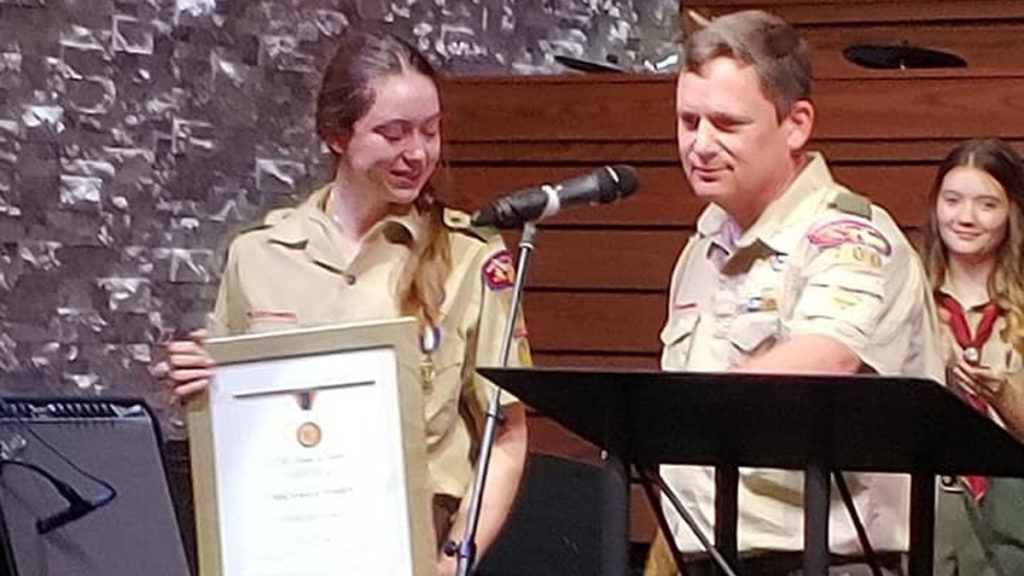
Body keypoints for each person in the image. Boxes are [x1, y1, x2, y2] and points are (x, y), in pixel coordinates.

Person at [162, 31, 529, 576]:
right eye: (393, 133)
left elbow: (509, 430)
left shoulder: (470, 259)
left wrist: (455, 557)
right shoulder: (259, 256)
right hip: (282, 550)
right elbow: (235, 423)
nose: (418, 153)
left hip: (413, 550)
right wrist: (197, 381)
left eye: (430, 131)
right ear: (336, 135)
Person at [645, 9, 944, 576]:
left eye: (727, 124)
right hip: (705, 556)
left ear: (796, 123)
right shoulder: (703, 245)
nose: (700, 145)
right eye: (688, 121)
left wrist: (673, 416)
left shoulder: (848, 237)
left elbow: (826, 355)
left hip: (825, 561)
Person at [926, 138, 1024, 576]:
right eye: (952, 201)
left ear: (1012, 216)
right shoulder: (908, 301)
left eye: (987, 204)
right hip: (929, 527)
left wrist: (1005, 395)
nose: (965, 217)